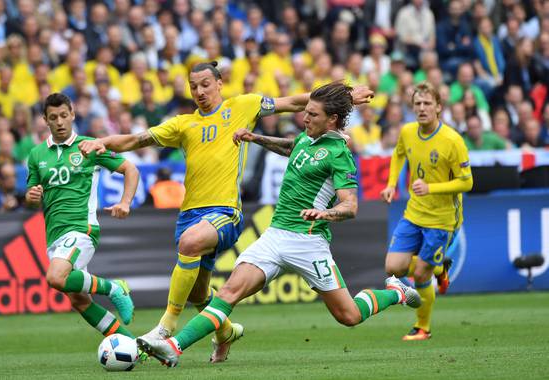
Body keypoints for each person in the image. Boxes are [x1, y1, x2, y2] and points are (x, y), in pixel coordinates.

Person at [79, 62, 373, 362]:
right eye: (193, 86)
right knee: (200, 294)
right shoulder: (182, 124)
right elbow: (135, 140)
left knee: (190, 243)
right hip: (199, 216)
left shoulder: (243, 106)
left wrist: (348, 93)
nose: (200, 91)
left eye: (206, 83)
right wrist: (99, 141)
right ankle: (226, 332)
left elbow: (297, 102)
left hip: (227, 212)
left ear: (220, 83)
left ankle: (165, 328)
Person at [135, 82, 421, 368]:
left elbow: (350, 206)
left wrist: (325, 214)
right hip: (274, 236)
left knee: (349, 316)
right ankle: (174, 346)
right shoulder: (305, 138)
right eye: (305, 112)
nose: (304, 118)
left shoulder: (339, 153)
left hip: (308, 242)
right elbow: (291, 148)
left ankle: (394, 291)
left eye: (312, 115)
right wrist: (254, 137)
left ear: (331, 119)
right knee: (227, 293)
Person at [25, 93, 140, 339]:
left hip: (81, 228)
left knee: (56, 277)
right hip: (54, 236)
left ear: (73, 114)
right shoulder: (36, 155)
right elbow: (31, 196)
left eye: (64, 116)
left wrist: (125, 202)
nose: (59, 122)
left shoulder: (90, 146)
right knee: (79, 300)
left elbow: (130, 169)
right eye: (53, 117)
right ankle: (132, 345)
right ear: (45, 120)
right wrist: (32, 197)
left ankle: (114, 288)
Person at [380, 82, 473, 341]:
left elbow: (467, 182)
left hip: (442, 220)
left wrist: (431, 187)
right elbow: (398, 155)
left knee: (420, 273)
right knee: (393, 267)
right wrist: (390, 185)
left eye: (427, 103)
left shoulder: (453, 141)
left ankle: (423, 327)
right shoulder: (408, 132)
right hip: (414, 213)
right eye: (417, 104)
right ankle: (439, 268)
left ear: (439, 107)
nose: (422, 108)